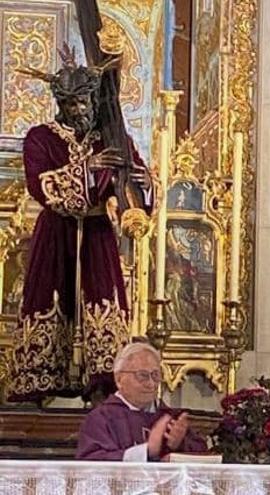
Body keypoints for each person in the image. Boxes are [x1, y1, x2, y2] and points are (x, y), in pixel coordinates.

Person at [9, 47, 152, 403]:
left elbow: (140, 187)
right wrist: (87, 170)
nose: (78, 110)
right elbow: (40, 184)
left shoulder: (112, 138)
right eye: (70, 104)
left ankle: (103, 389)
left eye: (84, 102)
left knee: (102, 305)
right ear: (60, 103)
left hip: (98, 238)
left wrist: (141, 180)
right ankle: (40, 389)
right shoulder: (40, 138)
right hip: (56, 235)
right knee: (48, 302)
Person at [76, 342, 207, 461]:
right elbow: (91, 464)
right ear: (119, 379)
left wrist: (180, 444)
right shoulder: (101, 419)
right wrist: (145, 451)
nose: (151, 384)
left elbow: (202, 458)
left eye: (155, 375)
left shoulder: (170, 418)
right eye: (143, 375)